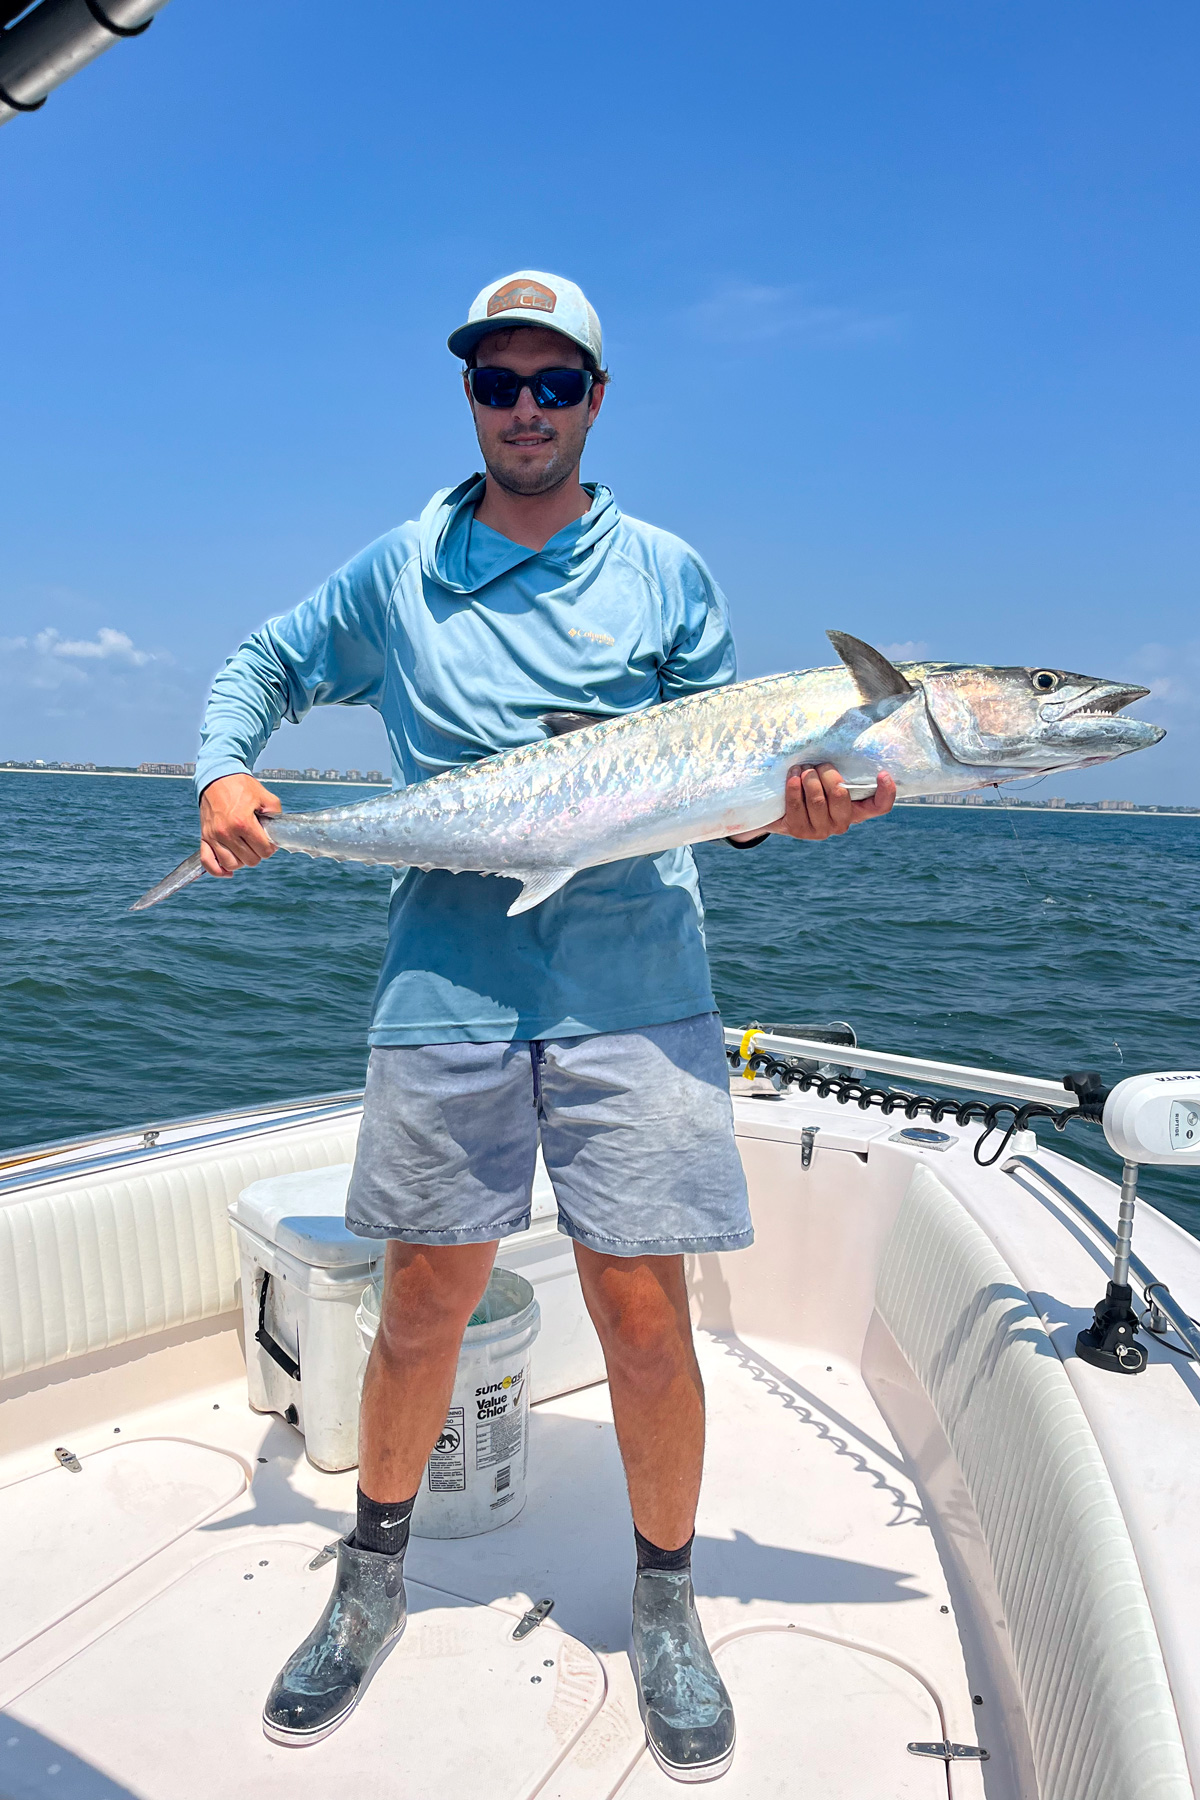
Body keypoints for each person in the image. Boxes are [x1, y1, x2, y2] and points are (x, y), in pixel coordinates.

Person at [195, 270, 896, 1781]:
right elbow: (261, 667)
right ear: (468, 398)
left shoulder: (667, 575)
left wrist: (793, 816)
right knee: (423, 1300)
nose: (523, 408)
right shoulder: (401, 569)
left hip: (637, 990)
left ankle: (665, 1607)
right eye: (495, 383)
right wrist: (221, 776)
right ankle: (368, 1583)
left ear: (594, 399)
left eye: (551, 383)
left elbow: (723, 780)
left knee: (643, 1317)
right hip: (445, 990)